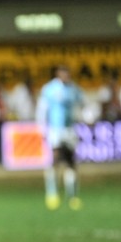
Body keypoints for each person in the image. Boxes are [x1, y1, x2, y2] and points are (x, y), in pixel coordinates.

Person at [35, 65, 84, 210]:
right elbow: (42, 109)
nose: (66, 76)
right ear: (58, 74)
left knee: (70, 162)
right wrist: (42, 128)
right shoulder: (49, 89)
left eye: (67, 73)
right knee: (55, 160)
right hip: (55, 130)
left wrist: (84, 117)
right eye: (63, 73)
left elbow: (82, 106)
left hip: (70, 130)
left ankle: (72, 196)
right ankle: (52, 194)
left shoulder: (74, 89)